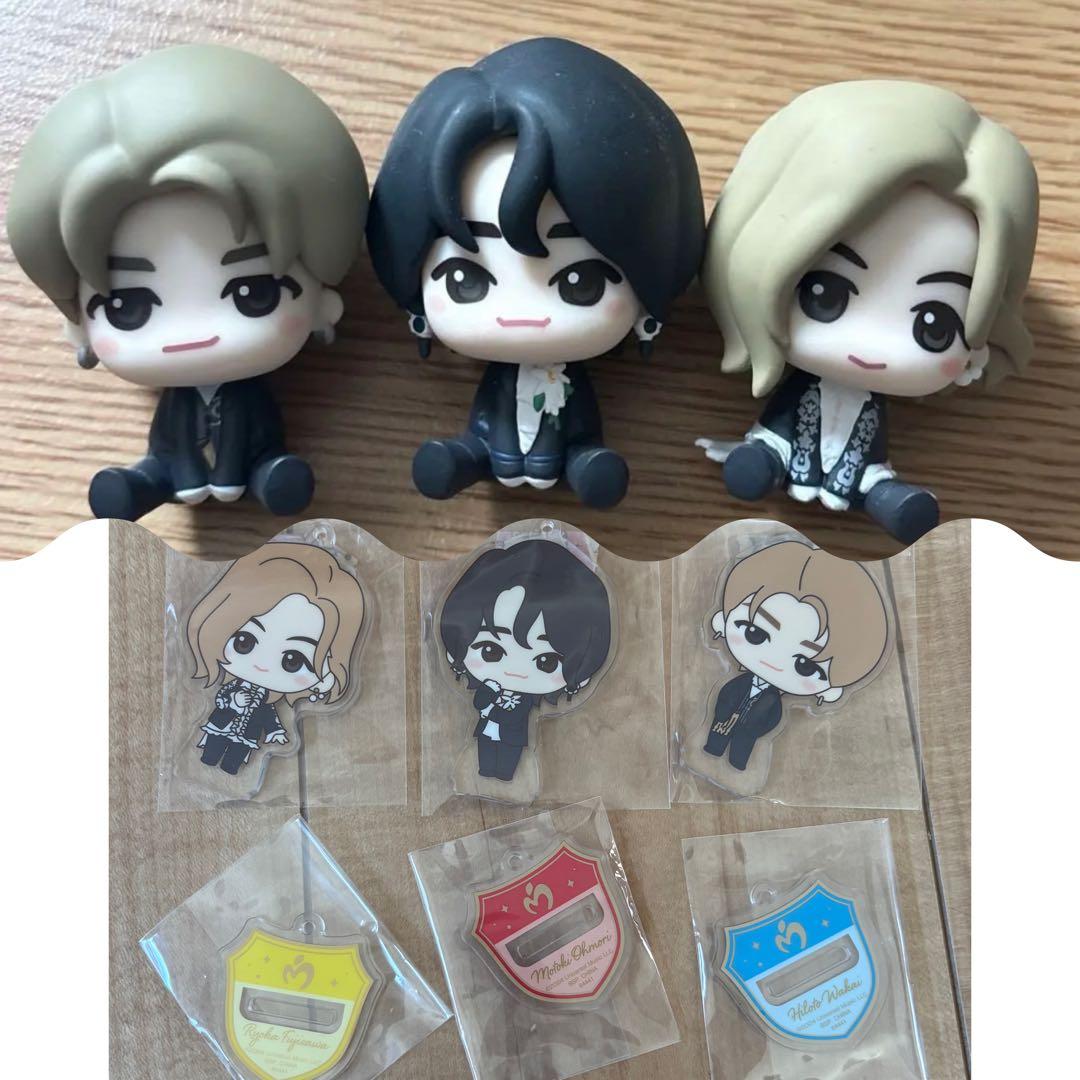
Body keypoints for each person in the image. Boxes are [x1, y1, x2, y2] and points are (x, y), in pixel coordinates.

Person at [6, 44, 368, 520]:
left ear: (324, 302)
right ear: (78, 328)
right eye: (127, 307)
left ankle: (269, 479)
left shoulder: (247, 390)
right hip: (174, 463)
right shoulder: (175, 399)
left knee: (268, 464)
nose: (194, 335)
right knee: (158, 467)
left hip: (253, 457)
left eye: (253, 294)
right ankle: (140, 487)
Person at [367, 37, 704, 508]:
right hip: (493, 450)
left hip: (565, 455)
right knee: (475, 444)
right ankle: (465, 459)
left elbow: (582, 423)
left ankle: (582, 465)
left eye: (580, 283)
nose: (520, 316)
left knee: (584, 449)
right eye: (465, 281)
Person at [698, 81, 1039, 543]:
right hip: (782, 440)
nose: (873, 345)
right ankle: (765, 459)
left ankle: (886, 498)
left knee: (871, 476)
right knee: (769, 450)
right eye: (826, 295)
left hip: (861, 462)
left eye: (934, 326)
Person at [704, 541, 889, 771]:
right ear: (724, 619)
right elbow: (725, 696)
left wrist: (752, 729)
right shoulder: (738, 684)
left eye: (805, 665)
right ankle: (712, 748)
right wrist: (723, 715)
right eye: (755, 633)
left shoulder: (773, 701)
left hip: (749, 735)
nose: (774, 660)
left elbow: (772, 719)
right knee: (714, 740)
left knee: (741, 751)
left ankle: (737, 762)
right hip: (720, 725)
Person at [186, 541, 365, 775]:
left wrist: (275, 731)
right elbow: (222, 699)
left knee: (234, 760)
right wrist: (234, 701)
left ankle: (230, 766)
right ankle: (210, 759)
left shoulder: (265, 701)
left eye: (293, 660)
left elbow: (267, 716)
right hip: (221, 724)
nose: (262, 665)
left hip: (248, 736)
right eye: (244, 642)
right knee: (211, 752)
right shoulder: (233, 687)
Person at [440, 539, 612, 782]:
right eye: (491, 651)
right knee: (486, 759)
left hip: (512, 738)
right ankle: (487, 771)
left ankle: (503, 775)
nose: (515, 670)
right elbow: (480, 702)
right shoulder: (489, 688)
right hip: (486, 733)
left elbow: (515, 715)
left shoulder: (525, 700)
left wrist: (494, 708)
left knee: (507, 763)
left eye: (546, 662)